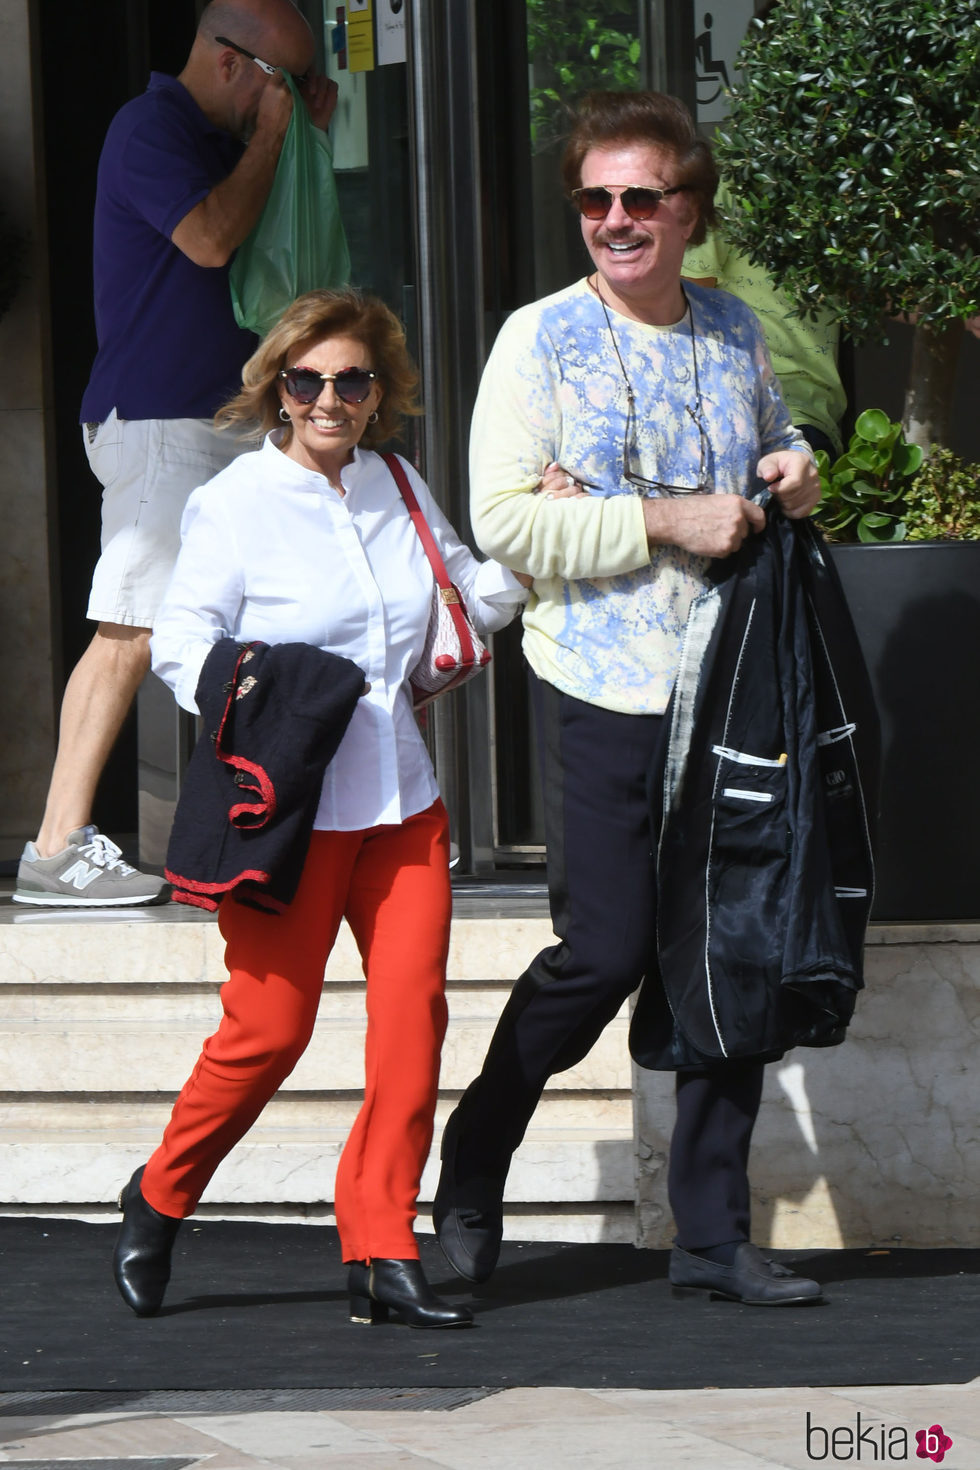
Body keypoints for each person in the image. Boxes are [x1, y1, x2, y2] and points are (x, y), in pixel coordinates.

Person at [433, 91, 827, 1307]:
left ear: (685, 211)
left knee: (725, 951)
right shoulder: (534, 341)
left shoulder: (728, 330)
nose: (614, 220)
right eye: (595, 199)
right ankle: (473, 1162)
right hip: (600, 679)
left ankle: (711, 1235)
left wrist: (793, 462)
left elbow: (770, 451)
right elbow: (499, 516)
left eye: (640, 198)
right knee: (600, 952)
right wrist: (659, 515)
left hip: (730, 688)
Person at [112, 288, 527, 1325]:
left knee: (409, 1028)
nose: (328, 399)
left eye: (350, 380)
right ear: (278, 389)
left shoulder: (394, 481)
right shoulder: (235, 501)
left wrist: (533, 542)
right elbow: (179, 644)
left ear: (376, 392)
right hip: (286, 815)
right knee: (268, 1030)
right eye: (307, 380)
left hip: (400, 802)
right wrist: (275, 699)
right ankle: (160, 1192)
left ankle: (381, 1243)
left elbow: (466, 593)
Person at [14, 0, 339, 908]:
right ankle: (55, 844)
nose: (296, 98)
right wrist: (273, 142)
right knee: (133, 624)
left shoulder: (224, 136)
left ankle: (234, 836)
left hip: (222, 419)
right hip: (159, 420)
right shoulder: (150, 127)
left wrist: (296, 135)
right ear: (238, 66)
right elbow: (209, 238)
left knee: (238, 631)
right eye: (289, 79)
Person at [682, 179, 846, 458]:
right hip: (754, 415)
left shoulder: (843, 185)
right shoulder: (734, 185)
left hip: (787, 419)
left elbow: (682, 304)